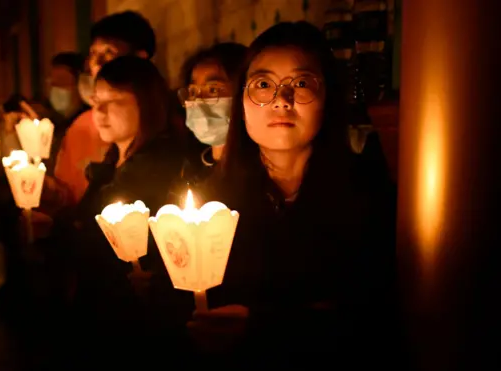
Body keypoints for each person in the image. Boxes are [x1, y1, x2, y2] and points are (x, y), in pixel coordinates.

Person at [186, 22, 399, 368]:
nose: (281, 100)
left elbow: (378, 317)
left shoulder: (368, 195)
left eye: (301, 84)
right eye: (263, 85)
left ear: (329, 96)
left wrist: (266, 328)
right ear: (241, 101)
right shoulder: (211, 203)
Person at [67, 56, 186, 361]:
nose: (100, 111)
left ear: (147, 103)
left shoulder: (160, 167)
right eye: (96, 100)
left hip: (136, 325)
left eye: (115, 99)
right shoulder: (112, 161)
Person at [38, 11, 158, 220]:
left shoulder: (162, 128)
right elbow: (71, 193)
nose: (98, 63)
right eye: (93, 55)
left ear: (140, 58)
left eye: (109, 53)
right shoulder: (80, 127)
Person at [176, 42, 247, 188]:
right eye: (193, 92)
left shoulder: (256, 177)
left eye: (213, 90)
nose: (199, 101)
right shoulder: (190, 170)